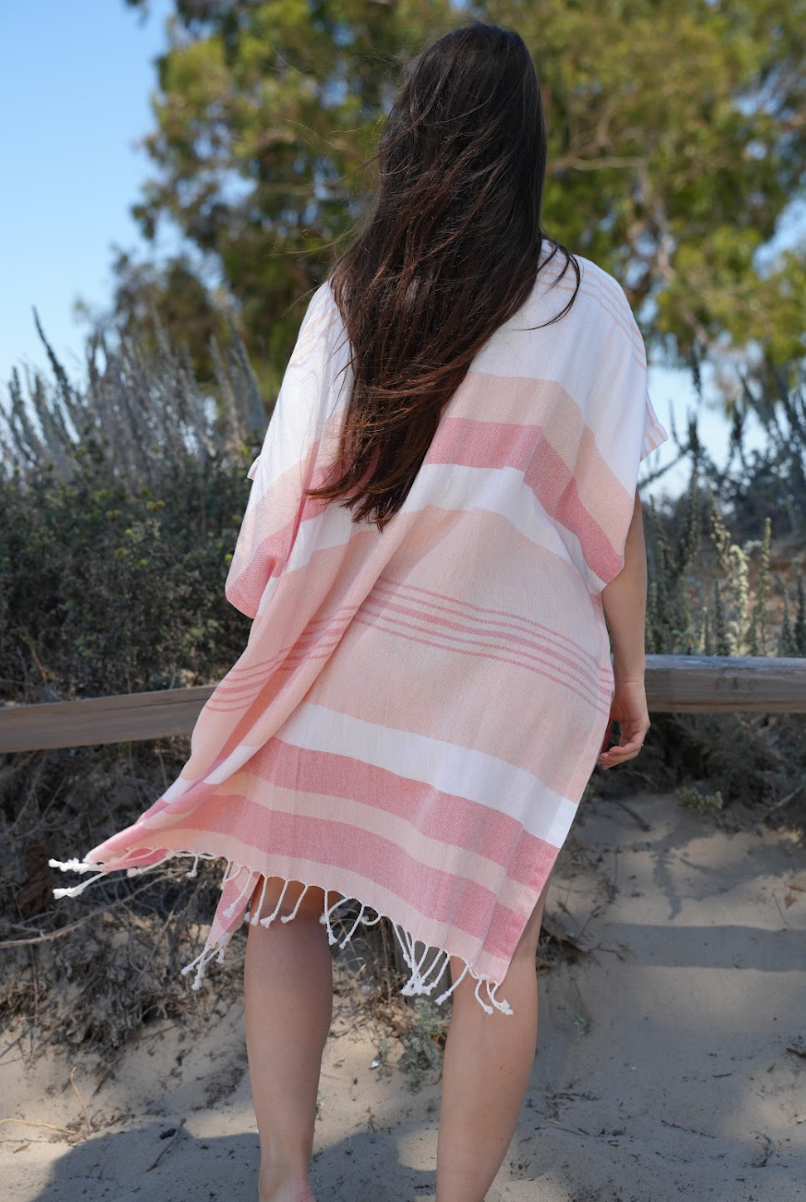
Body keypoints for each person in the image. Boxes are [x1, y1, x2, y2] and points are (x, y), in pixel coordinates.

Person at [50, 20, 668, 1202]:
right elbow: (613, 516)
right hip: (520, 671)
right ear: (527, 148)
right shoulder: (590, 303)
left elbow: (282, 501)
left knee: (282, 886)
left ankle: (285, 1179)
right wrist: (629, 670)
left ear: (412, 136)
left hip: (353, 653)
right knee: (499, 945)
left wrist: (273, 643)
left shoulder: (354, 292)